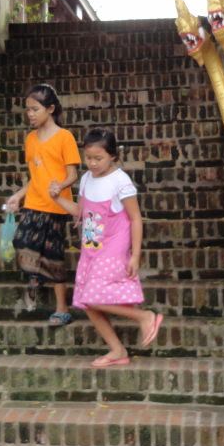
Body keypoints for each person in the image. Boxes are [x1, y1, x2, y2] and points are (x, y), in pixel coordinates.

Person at [64, 127, 162, 367]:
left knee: (93, 297)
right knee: (87, 302)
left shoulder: (121, 182)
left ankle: (144, 316)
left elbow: (136, 218)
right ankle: (117, 350)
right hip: (91, 247)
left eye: (99, 158)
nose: (92, 163)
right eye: (88, 158)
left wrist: (135, 255)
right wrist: (56, 197)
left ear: (113, 157)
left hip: (114, 246)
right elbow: (81, 213)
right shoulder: (86, 179)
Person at [3, 84, 79, 325]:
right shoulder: (31, 139)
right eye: (28, 110)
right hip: (34, 203)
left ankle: (62, 309)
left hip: (57, 206)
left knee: (54, 256)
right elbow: (35, 177)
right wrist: (18, 196)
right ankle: (36, 274)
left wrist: (60, 185)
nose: (30, 114)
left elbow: (73, 174)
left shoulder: (64, 137)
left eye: (35, 109)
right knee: (21, 240)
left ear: (51, 109)